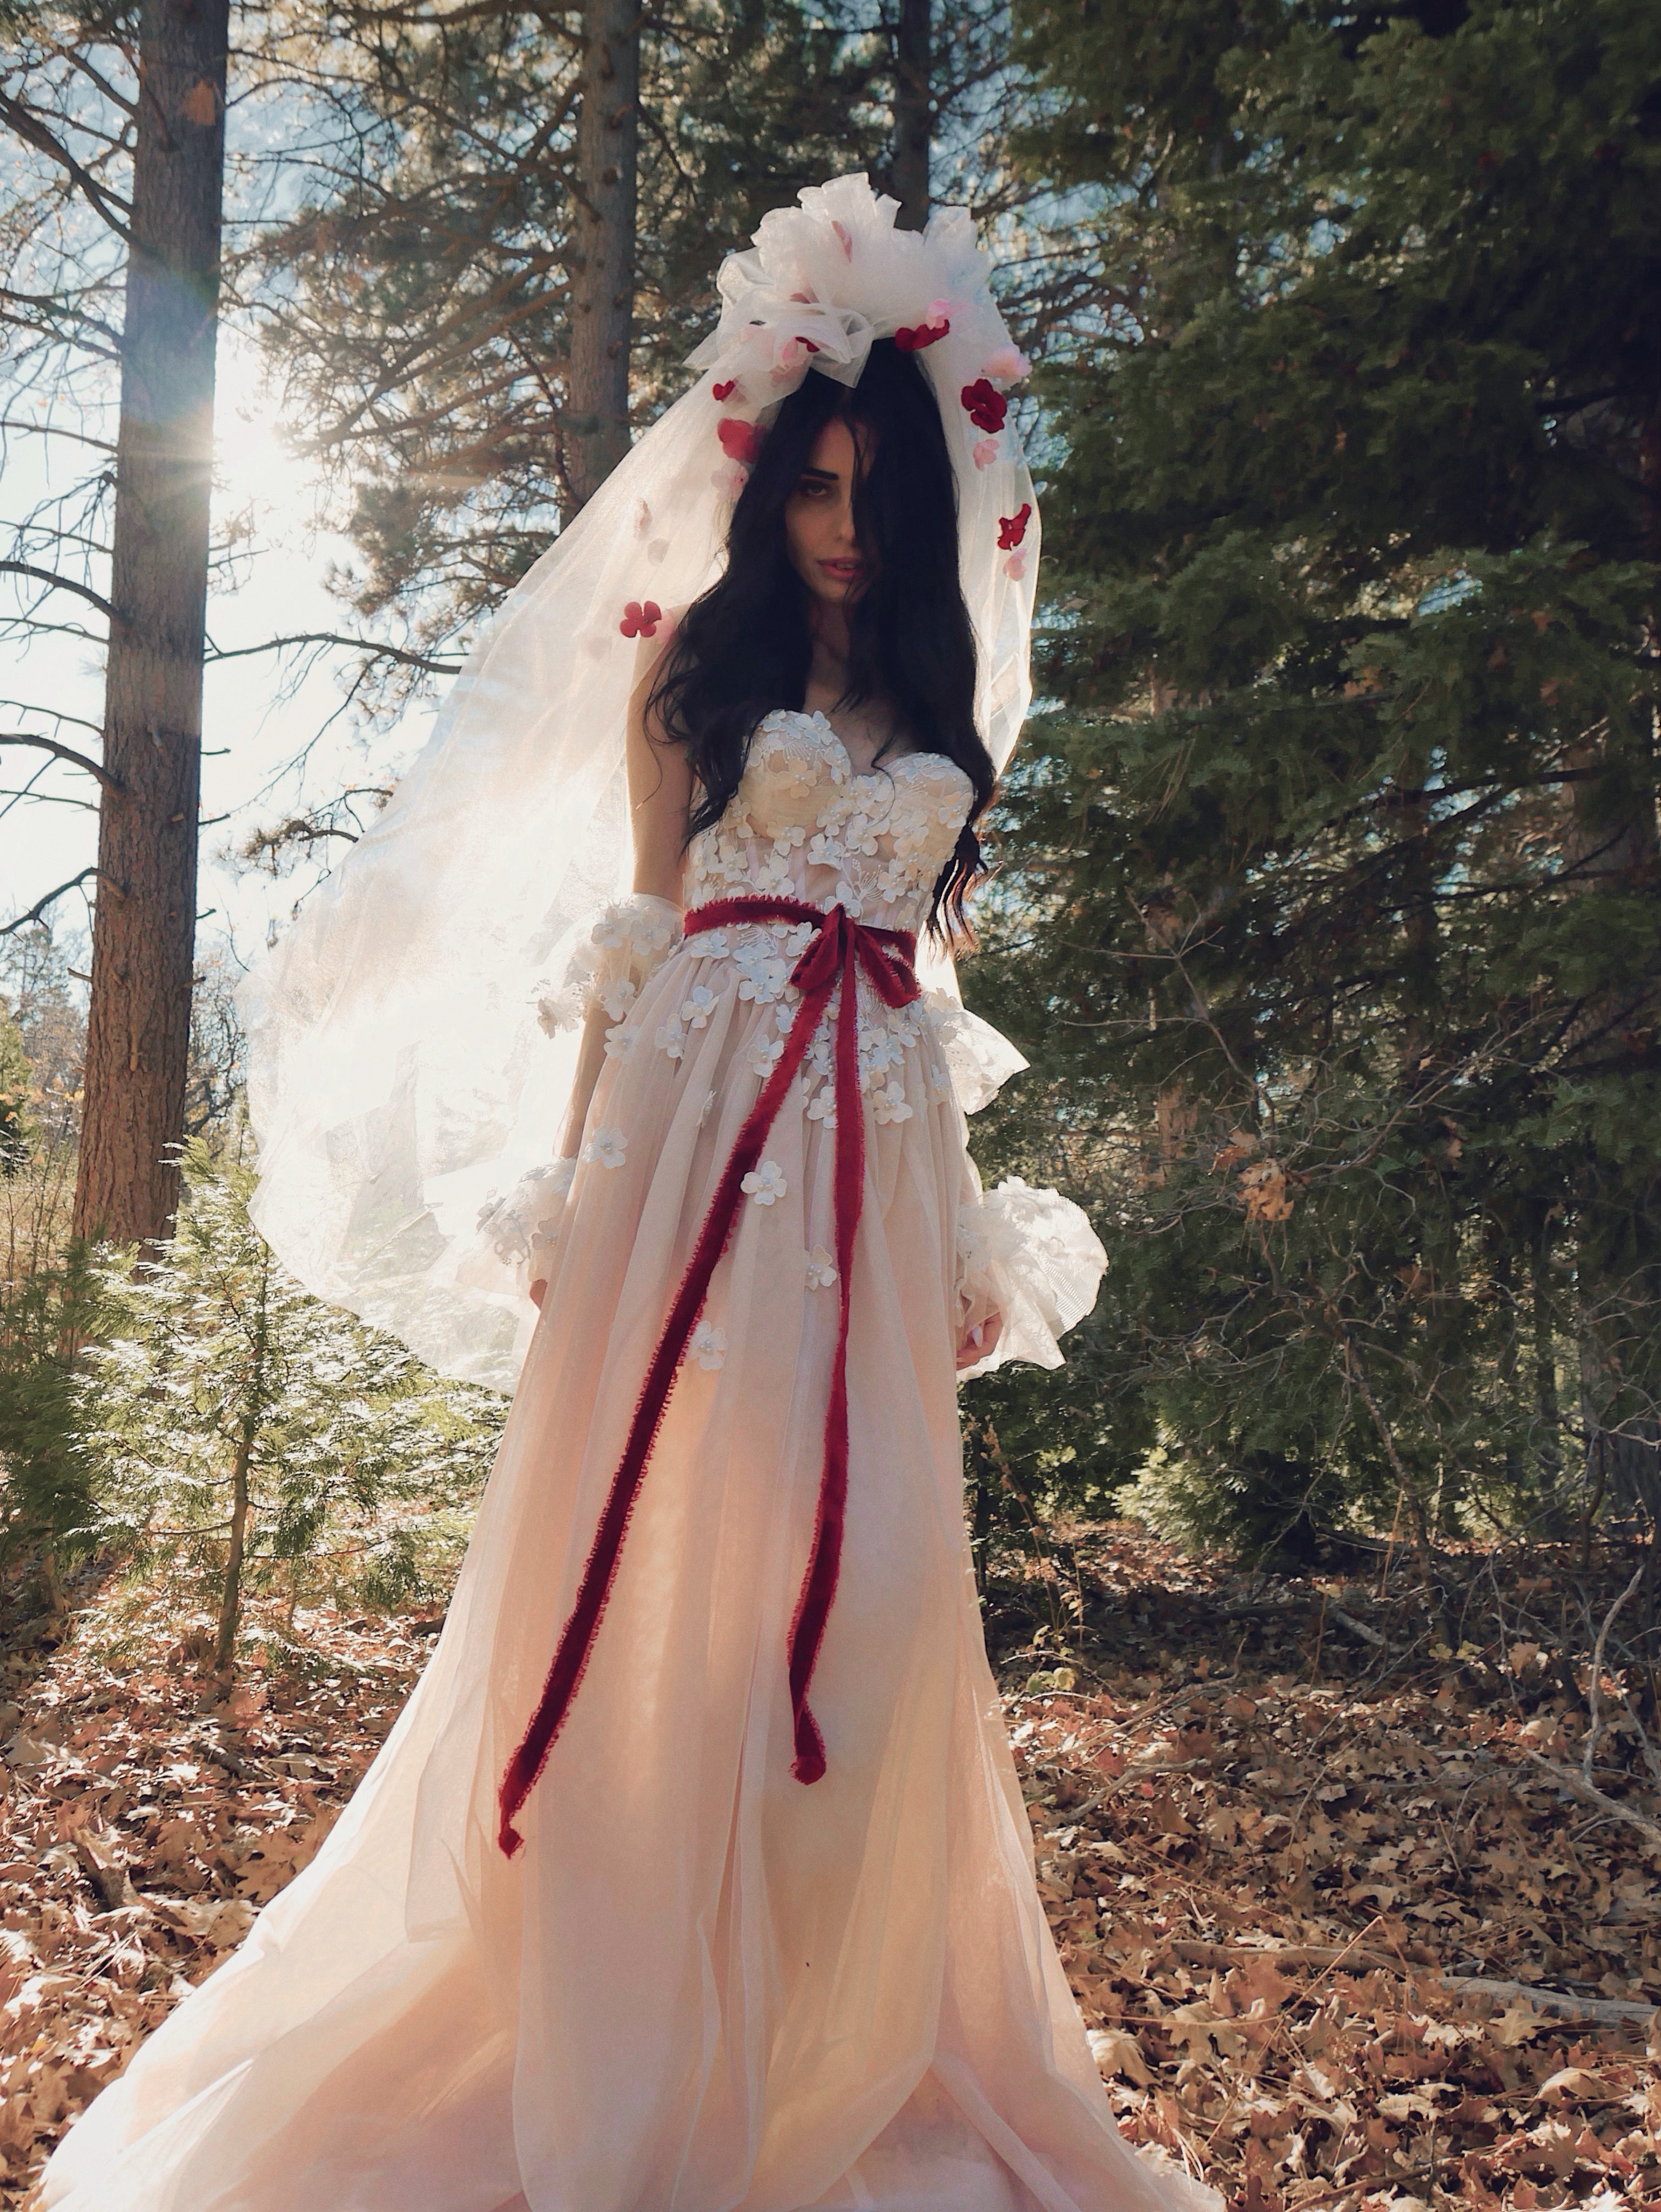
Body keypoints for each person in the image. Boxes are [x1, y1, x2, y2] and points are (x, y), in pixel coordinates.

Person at [41, 177, 1213, 2212]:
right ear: (771, 494)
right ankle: (621, 2005)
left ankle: (820, 2014)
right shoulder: (686, 678)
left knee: (852, 1600)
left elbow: (928, 987)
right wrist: (584, 1197)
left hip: (867, 1137)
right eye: (819, 484)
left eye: (875, 491)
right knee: (666, 1548)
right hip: (693, 1132)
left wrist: (951, 1228)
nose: (847, 521)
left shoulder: (937, 718)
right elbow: (640, 935)